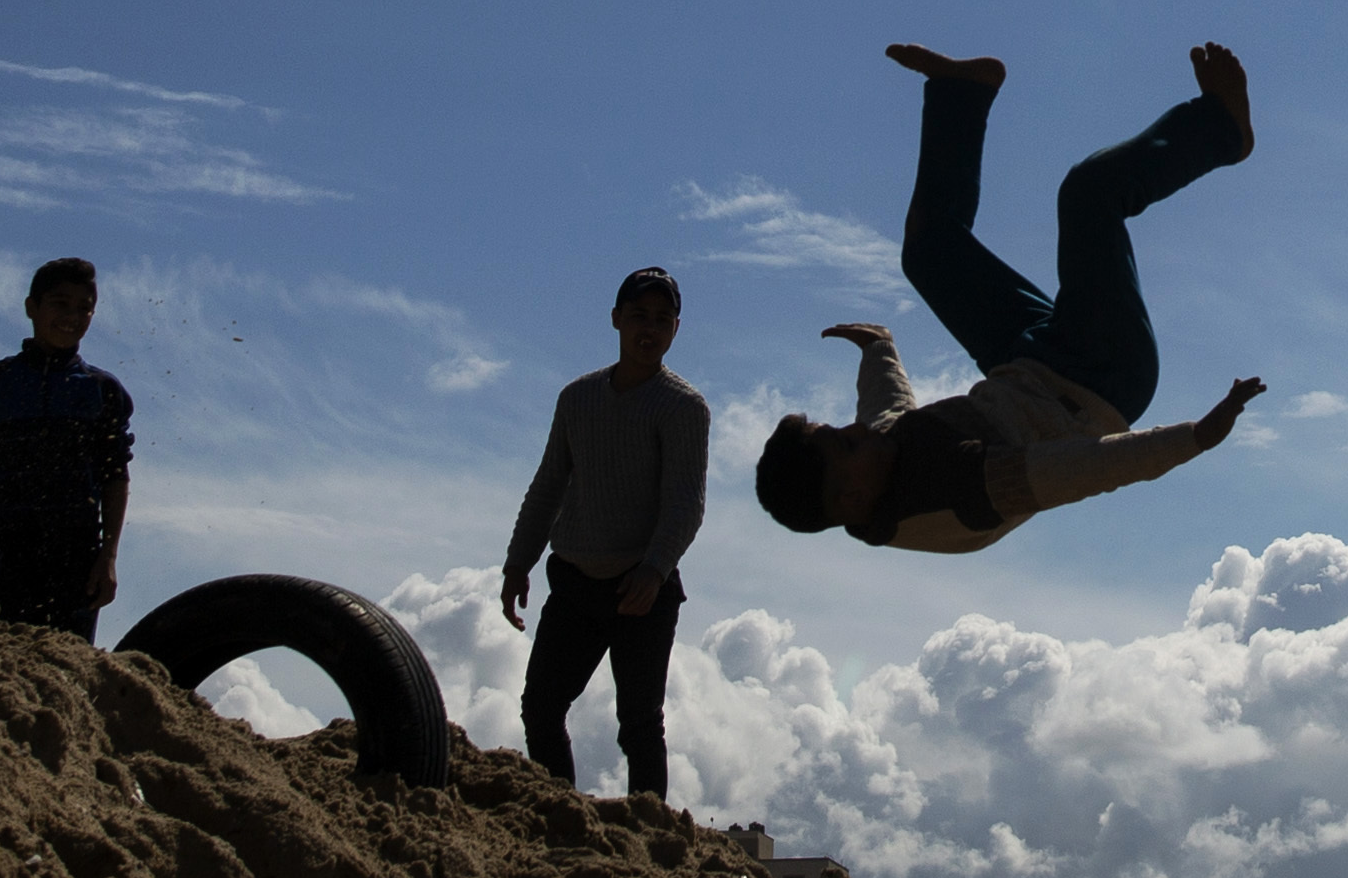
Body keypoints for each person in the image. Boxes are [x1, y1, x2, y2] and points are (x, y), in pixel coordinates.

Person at [754, 42, 1268, 554]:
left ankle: (961, 93)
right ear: (851, 496)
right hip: (1102, 378)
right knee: (1089, 194)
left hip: (1026, 364)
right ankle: (1221, 130)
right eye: (846, 442)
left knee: (929, 252)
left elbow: (887, 415)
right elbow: (1087, 470)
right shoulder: (968, 492)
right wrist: (1194, 437)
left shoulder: (873, 462)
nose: (858, 431)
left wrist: (877, 351)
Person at [499, 266, 712, 800]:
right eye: (639, 315)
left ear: (676, 329)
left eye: (662, 319)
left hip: (643, 590)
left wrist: (654, 568)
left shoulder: (684, 407)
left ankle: (648, 847)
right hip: (575, 581)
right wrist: (517, 563)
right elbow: (549, 485)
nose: (650, 328)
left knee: (640, 725)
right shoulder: (578, 399)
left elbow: (685, 503)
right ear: (616, 319)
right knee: (541, 706)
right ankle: (559, 819)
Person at [0, 258, 133, 635]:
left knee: (67, 672)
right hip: (7, 551)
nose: (72, 316)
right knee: (2, 660)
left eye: (84, 307)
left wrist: (109, 556)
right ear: (31, 308)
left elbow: (116, 475)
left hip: (77, 560)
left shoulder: (102, 391)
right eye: (60, 303)